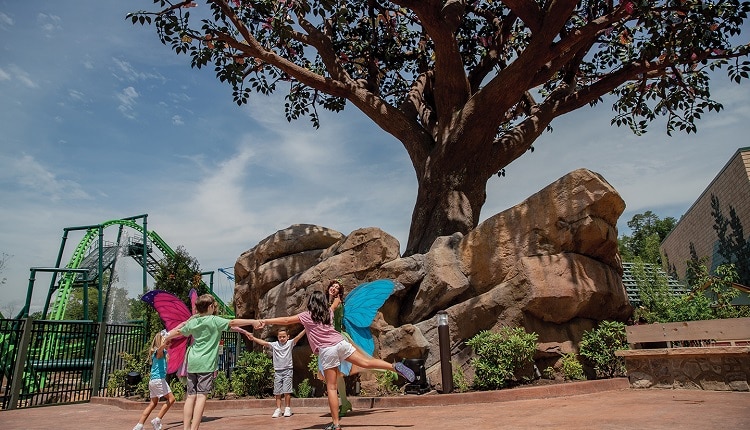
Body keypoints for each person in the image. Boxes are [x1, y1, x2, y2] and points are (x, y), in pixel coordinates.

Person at [258, 289, 415, 430]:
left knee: (332, 388)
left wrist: (266, 321)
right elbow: (334, 305)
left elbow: (286, 321)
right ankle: (394, 366)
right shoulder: (329, 313)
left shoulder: (307, 316)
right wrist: (336, 297)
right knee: (366, 362)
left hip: (328, 351)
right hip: (341, 343)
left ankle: (336, 423)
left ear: (311, 303)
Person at [164, 294, 262, 430]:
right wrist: (252, 321)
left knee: (190, 396)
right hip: (206, 363)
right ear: (210, 307)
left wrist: (165, 337)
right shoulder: (214, 320)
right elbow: (232, 323)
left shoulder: (194, 322)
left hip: (192, 362)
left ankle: (186, 428)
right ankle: (194, 429)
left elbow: (180, 331)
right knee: (201, 396)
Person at [243, 327, 306, 417]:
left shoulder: (290, 343)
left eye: (284, 336)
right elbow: (264, 343)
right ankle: (278, 409)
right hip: (277, 371)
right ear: (277, 337)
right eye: (280, 337)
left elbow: (298, 337)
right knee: (277, 391)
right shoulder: (275, 345)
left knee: (287, 390)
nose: (282, 338)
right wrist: (253, 338)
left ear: (288, 337)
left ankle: (287, 408)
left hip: (288, 370)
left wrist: (306, 329)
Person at [132, 330, 176, 430]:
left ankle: (139, 425)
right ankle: (157, 420)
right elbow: (161, 349)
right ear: (162, 342)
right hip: (159, 380)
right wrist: (165, 341)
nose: (169, 343)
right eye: (167, 342)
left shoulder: (162, 353)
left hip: (153, 381)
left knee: (153, 403)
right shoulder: (159, 352)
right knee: (171, 399)